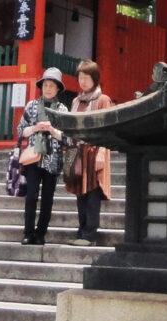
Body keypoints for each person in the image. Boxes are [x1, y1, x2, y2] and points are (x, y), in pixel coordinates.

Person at [61, 60, 113, 245]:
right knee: (79, 192)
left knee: (91, 193)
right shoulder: (76, 101)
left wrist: (102, 153)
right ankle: (81, 230)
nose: (82, 81)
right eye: (80, 77)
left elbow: (107, 130)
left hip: (94, 150)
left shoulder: (102, 100)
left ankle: (90, 233)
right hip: (77, 151)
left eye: (86, 77)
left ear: (94, 78)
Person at [15, 66, 67, 245]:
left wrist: (52, 130)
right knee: (31, 195)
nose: (48, 88)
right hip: (33, 157)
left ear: (58, 88)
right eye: (45, 85)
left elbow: (67, 137)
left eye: (52, 85)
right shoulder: (32, 106)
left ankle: (41, 233)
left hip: (53, 159)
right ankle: (28, 232)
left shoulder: (62, 109)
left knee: (47, 198)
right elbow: (20, 130)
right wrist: (36, 128)